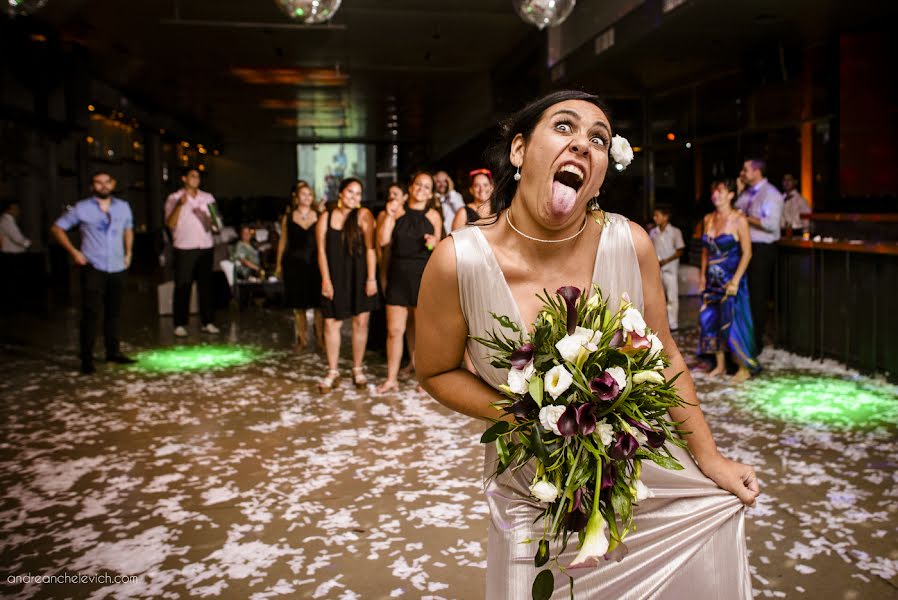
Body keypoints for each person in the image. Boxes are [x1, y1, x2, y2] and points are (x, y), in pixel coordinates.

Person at [415, 90, 758, 599]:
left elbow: (661, 351)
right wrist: (525, 414)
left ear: (600, 172)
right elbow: (435, 371)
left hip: (641, 484)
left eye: (597, 139)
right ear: (518, 151)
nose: (581, 144)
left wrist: (709, 459)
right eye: (563, 127)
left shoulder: (630, 243)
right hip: (533, 495)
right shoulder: (456, 262)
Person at [50, 172, 136, 374]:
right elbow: (57, 228)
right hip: (93, 266)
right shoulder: (82, 208)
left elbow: (128, 229)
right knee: (90, 313)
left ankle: (113, 352)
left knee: (114, 312)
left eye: (107, 182)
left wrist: (129, 253)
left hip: (117, 265)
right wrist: (74, 252)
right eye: (99, 182)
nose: (103, 186)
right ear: (92, 186)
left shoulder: (123, 206)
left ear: (113, 184)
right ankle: (86, 359)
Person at [376, 172, 442, 393]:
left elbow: (439, 251)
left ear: (431, 193)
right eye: (418, 185)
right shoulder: (397, 211)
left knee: (422, 331)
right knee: (394, 330)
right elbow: (383, 241)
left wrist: (434, 243)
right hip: (398, 276)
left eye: (426, 186)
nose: (421, 189)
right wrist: (388, 215)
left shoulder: (433, 216)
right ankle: (391, 378)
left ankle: (422, 380)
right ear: (411, 187)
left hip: (423, 276)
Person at [316, 178, 378, 392]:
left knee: (360, 322)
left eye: (358, 193)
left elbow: (371, 249)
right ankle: (333, 371)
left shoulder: (364, 215)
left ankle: (357, 369)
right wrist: (325, 279)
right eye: (350, 192)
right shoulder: (326, 216)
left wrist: (371, 278)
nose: (354, 197)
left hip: (359, 277)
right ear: (341, 193)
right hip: (334, 277)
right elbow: (321, 251)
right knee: (331, 323)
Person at [699, 180, 760, 381]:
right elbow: (705, 252)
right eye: (714, 191)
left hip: (731, 281)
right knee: (711, 321)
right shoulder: (708, 218)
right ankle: (720, 365)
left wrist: (735, 280)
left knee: (733, 322)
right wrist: (702, 276)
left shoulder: (739, 219)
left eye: (721, 191)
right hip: (712, 281)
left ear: (731, 195)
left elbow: (748, 253)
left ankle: (743, 367)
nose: (716, 195)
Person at [164, 167, 220, 337]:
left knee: (206, 286)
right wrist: (180, 205)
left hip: (205, 246)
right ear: (184, 178)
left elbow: (217, 224)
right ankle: (180, 323)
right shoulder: (174, 198)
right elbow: (170, 223)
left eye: (198, 177)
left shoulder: (207, 197)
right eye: (193, 176)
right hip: (184, 247)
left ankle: (208, 321)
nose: (196, 179)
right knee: (183, 286)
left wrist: (210, 220)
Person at [735, 159, 782, 353]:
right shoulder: (746, 193)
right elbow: (734, 210)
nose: (742, 173)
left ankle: (756, 343)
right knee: (743, 294)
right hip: (744, 247)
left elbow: (771, 224)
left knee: (757, 296)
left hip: (762, 249)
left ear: (756, 171)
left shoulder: (771, 194)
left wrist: (745, 219)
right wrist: (738, 190)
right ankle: (743, 339)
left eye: (746, 170)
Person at [276, 180, 323, 352]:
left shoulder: (319, 215)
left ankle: (321, 340)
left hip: (314, 264)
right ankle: (301, 340)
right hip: (294, 264)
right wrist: (278, 264)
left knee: (319, 305)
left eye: (310, 194)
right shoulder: (288, 218)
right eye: (303, 194)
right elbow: (283, 242)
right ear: (296, 197)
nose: (307, 197)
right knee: (298, 305)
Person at [648, 206, 685, 331]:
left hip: (670, 269)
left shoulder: (675, 232)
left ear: (665, 217)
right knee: (658, 298)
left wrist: (666, 261)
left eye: (657, 215)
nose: (655, 218)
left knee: (672, 297)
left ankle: (673, 324)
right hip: (657, 269)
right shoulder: (653, 232)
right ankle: (659, 324)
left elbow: (680, 250)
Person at [433, 171, 465, 236]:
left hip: (454, 236)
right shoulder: (430, 198)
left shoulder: (456, 196)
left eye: (445, 181)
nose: (442, 184)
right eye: (438, 182)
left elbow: (462, 212)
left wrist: (451, 190)